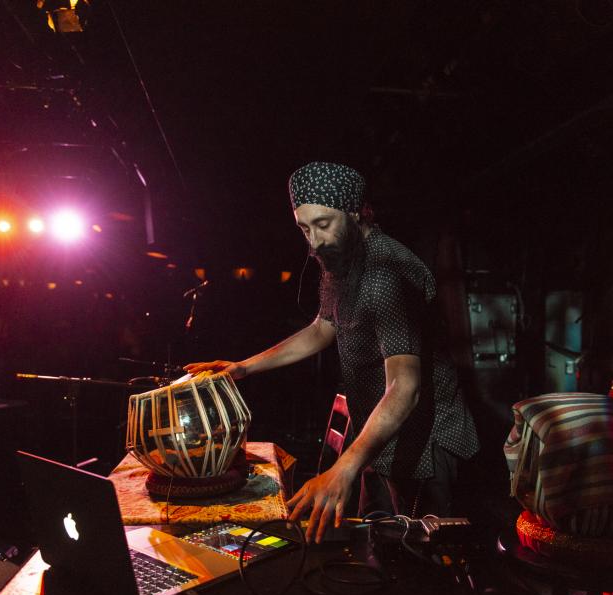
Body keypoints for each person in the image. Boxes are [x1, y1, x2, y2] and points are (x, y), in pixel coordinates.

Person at [185, 161, 479, 542]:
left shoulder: (386, 273)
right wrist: (243, 367)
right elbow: (324, 327)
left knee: (424, 564)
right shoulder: (343, 261)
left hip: (423, 440)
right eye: (304, 228)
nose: (314, 241)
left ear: (356, 211)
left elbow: (406, 388)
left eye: (323, 224)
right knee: (374, 549)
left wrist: (345, 467)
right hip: (378, 429)